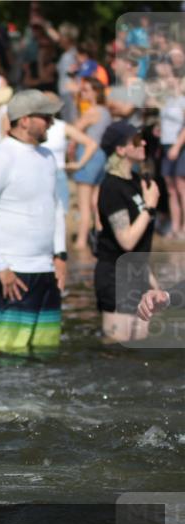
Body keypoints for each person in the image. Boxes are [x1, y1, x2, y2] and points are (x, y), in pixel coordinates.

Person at [0, 90, 67, 354]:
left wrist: (61, 256)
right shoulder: (2, 157)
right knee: (8, 360)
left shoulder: (48, 157)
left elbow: (55, 207)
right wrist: (0, 265)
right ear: (24, 120)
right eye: (45, 117)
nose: (52, 122)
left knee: (45, 358)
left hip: (46, 272)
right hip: (12, 276)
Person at [94, 121, 161, 343]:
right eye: (135, 140)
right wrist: (149, 207)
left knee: (140, 352)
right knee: (116, 351)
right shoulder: (111, 187)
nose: (143, 142)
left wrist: (153, 283)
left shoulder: (137, 182)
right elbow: (127, 241)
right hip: (115, 277)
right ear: (120, 150)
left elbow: (140, 244)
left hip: (137, 276)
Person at [72, 77, 111, 250]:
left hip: (88, 156)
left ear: (96, 92)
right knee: (96, 202)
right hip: (102, 157)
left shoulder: (92, 111)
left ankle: (81, 241)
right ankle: (100, 237)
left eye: (86, 90)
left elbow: (73, 129)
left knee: (84, 203)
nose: (82, 93)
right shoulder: (106, 111)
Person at [159, 85, 185, 239]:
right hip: (166, 144)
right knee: (171, 189)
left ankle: (184, 227)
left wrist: (177, 146)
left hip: (180, 146)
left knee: (182, 187)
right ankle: (175, 226)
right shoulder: (167, 100)